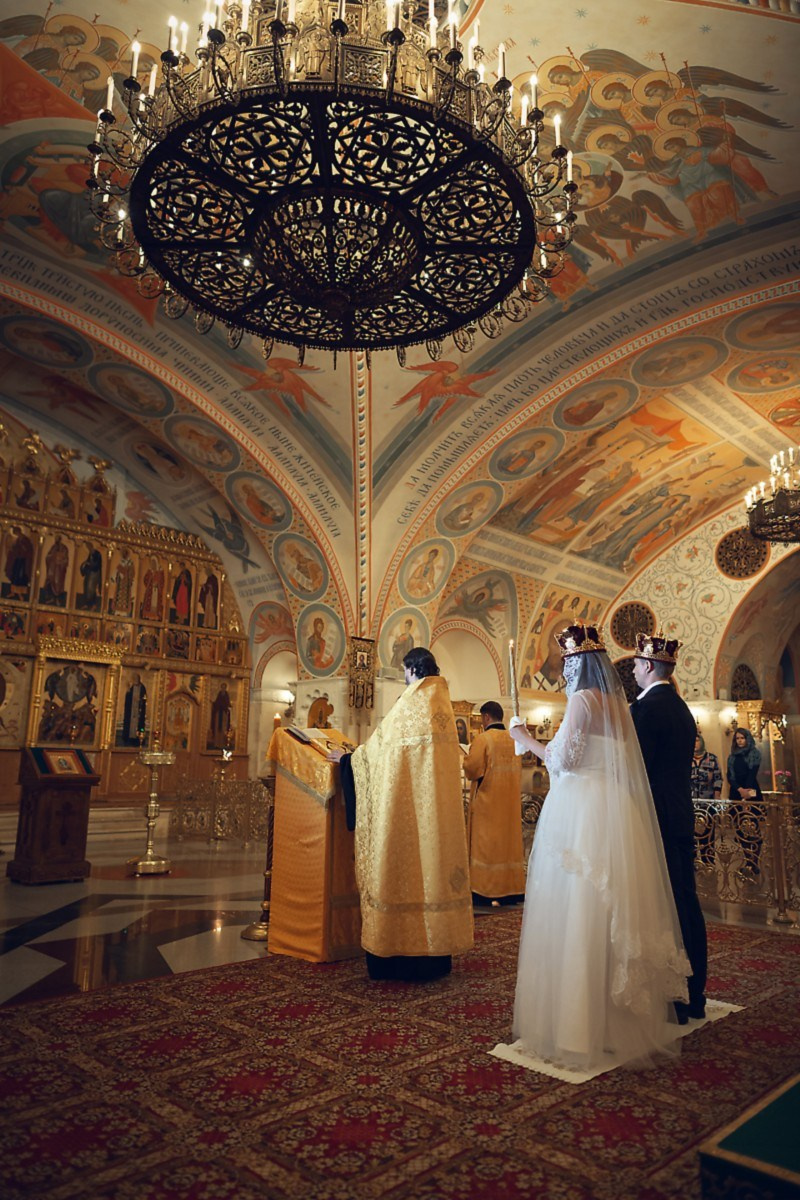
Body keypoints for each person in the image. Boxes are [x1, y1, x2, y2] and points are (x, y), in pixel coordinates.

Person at [497, 623, 689, 1076]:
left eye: (567, 664)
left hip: (580, 810)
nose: (564, 672)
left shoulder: (582, 701)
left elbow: (562, 760)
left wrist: (521, 736)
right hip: (615, 810)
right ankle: (614, 1020)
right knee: (613, 909)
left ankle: (577, 1026)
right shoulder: (619, 707)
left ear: (577, 665)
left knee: (577, 910)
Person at [328, 647, 473, 981]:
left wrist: (349, 761)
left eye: (405, 672)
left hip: (403, 817)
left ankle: (396, 954)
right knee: (432, 871)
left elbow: (380, 753)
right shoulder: (443, 705)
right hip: (436, 818)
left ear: (411, 669)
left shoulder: (411, 703)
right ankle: (434, 953)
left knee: (400, 873)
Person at [630, 632, 707, 1023]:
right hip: (679, 812)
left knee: (667, 905)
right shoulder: (679, 707)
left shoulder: (646, 710)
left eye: (634, 664)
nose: (631, 669)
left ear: (647, 666)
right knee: (686, 901)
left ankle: (678, 995)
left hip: (655, 817)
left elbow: (635, 770)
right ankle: (695, 994)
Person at [464, 702, 526, 907]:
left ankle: (486, 891)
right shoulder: (513, 738)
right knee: (508, 846)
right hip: (509, 804)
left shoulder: (484, 739)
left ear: (487, 717)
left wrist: (465, 759)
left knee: (487, 848)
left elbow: (473, 769)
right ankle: (510, 889)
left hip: (488, 805)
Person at [726, 727, 763, 876]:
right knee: (740, 829)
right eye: (737, 738)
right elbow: (730, 776)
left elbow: (752, 774)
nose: (740, 741)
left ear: (747, 739)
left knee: (753, 828)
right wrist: (739, 789)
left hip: (751, 792)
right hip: (736, 792)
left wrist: (746, 792)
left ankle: (754, 862)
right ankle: (747, 861)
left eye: (742, 738)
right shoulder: (732, 756)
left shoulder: (754, 754)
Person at [691, 733, 723, 866]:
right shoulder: (686, 758)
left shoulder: (711, 758)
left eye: (697, 740)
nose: (695, 743)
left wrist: (716, 798)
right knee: (691, 832)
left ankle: (708, 860)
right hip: (691, 801)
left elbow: (718, 779)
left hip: (707, 802)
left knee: (708, 832)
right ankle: (693, 861)